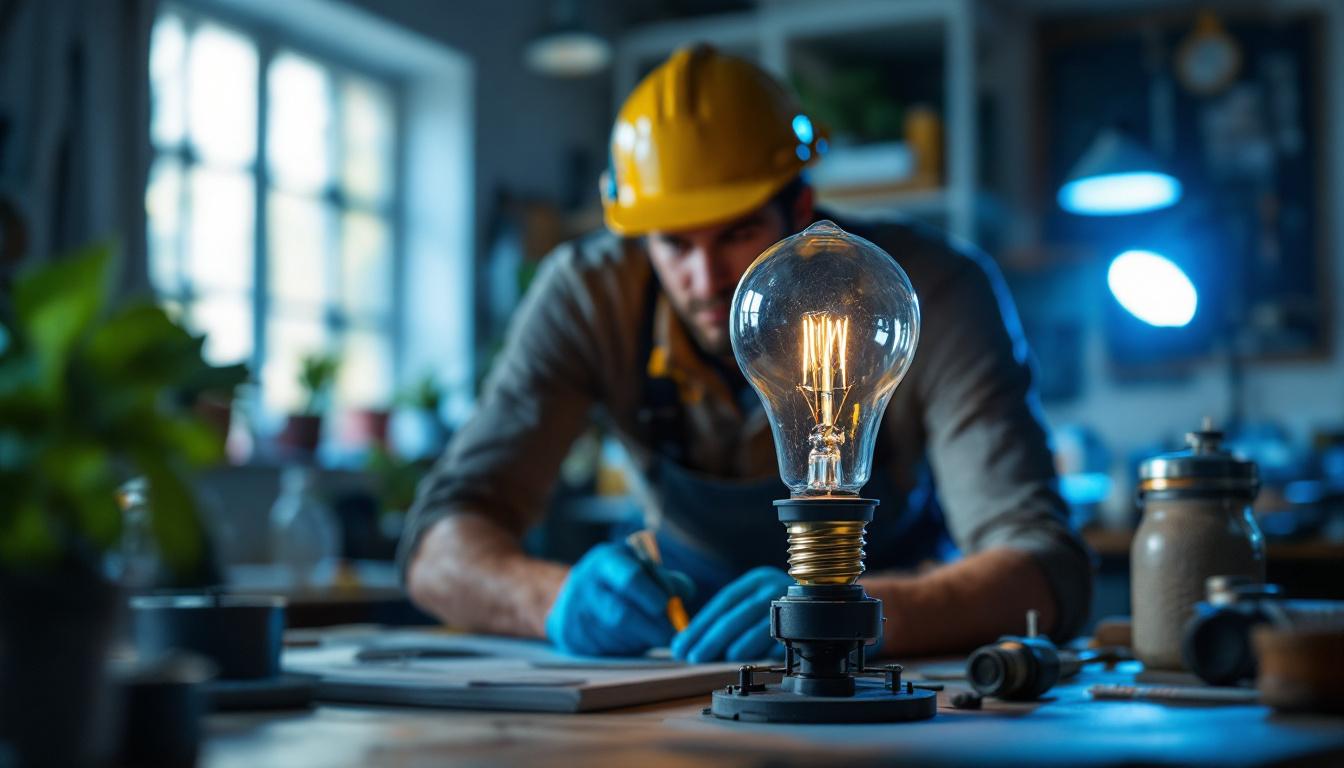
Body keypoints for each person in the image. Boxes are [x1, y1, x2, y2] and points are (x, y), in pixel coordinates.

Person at [399, 45, 1092, 662]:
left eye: (735, 234)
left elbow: (1045, 565)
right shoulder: (589, 296)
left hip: (887, 656)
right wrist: (549, 600)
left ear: (801, 207)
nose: (706, 283)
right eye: (673, 243)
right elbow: (437, 549)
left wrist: (854, 614)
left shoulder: (928, 290)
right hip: (676, 648)